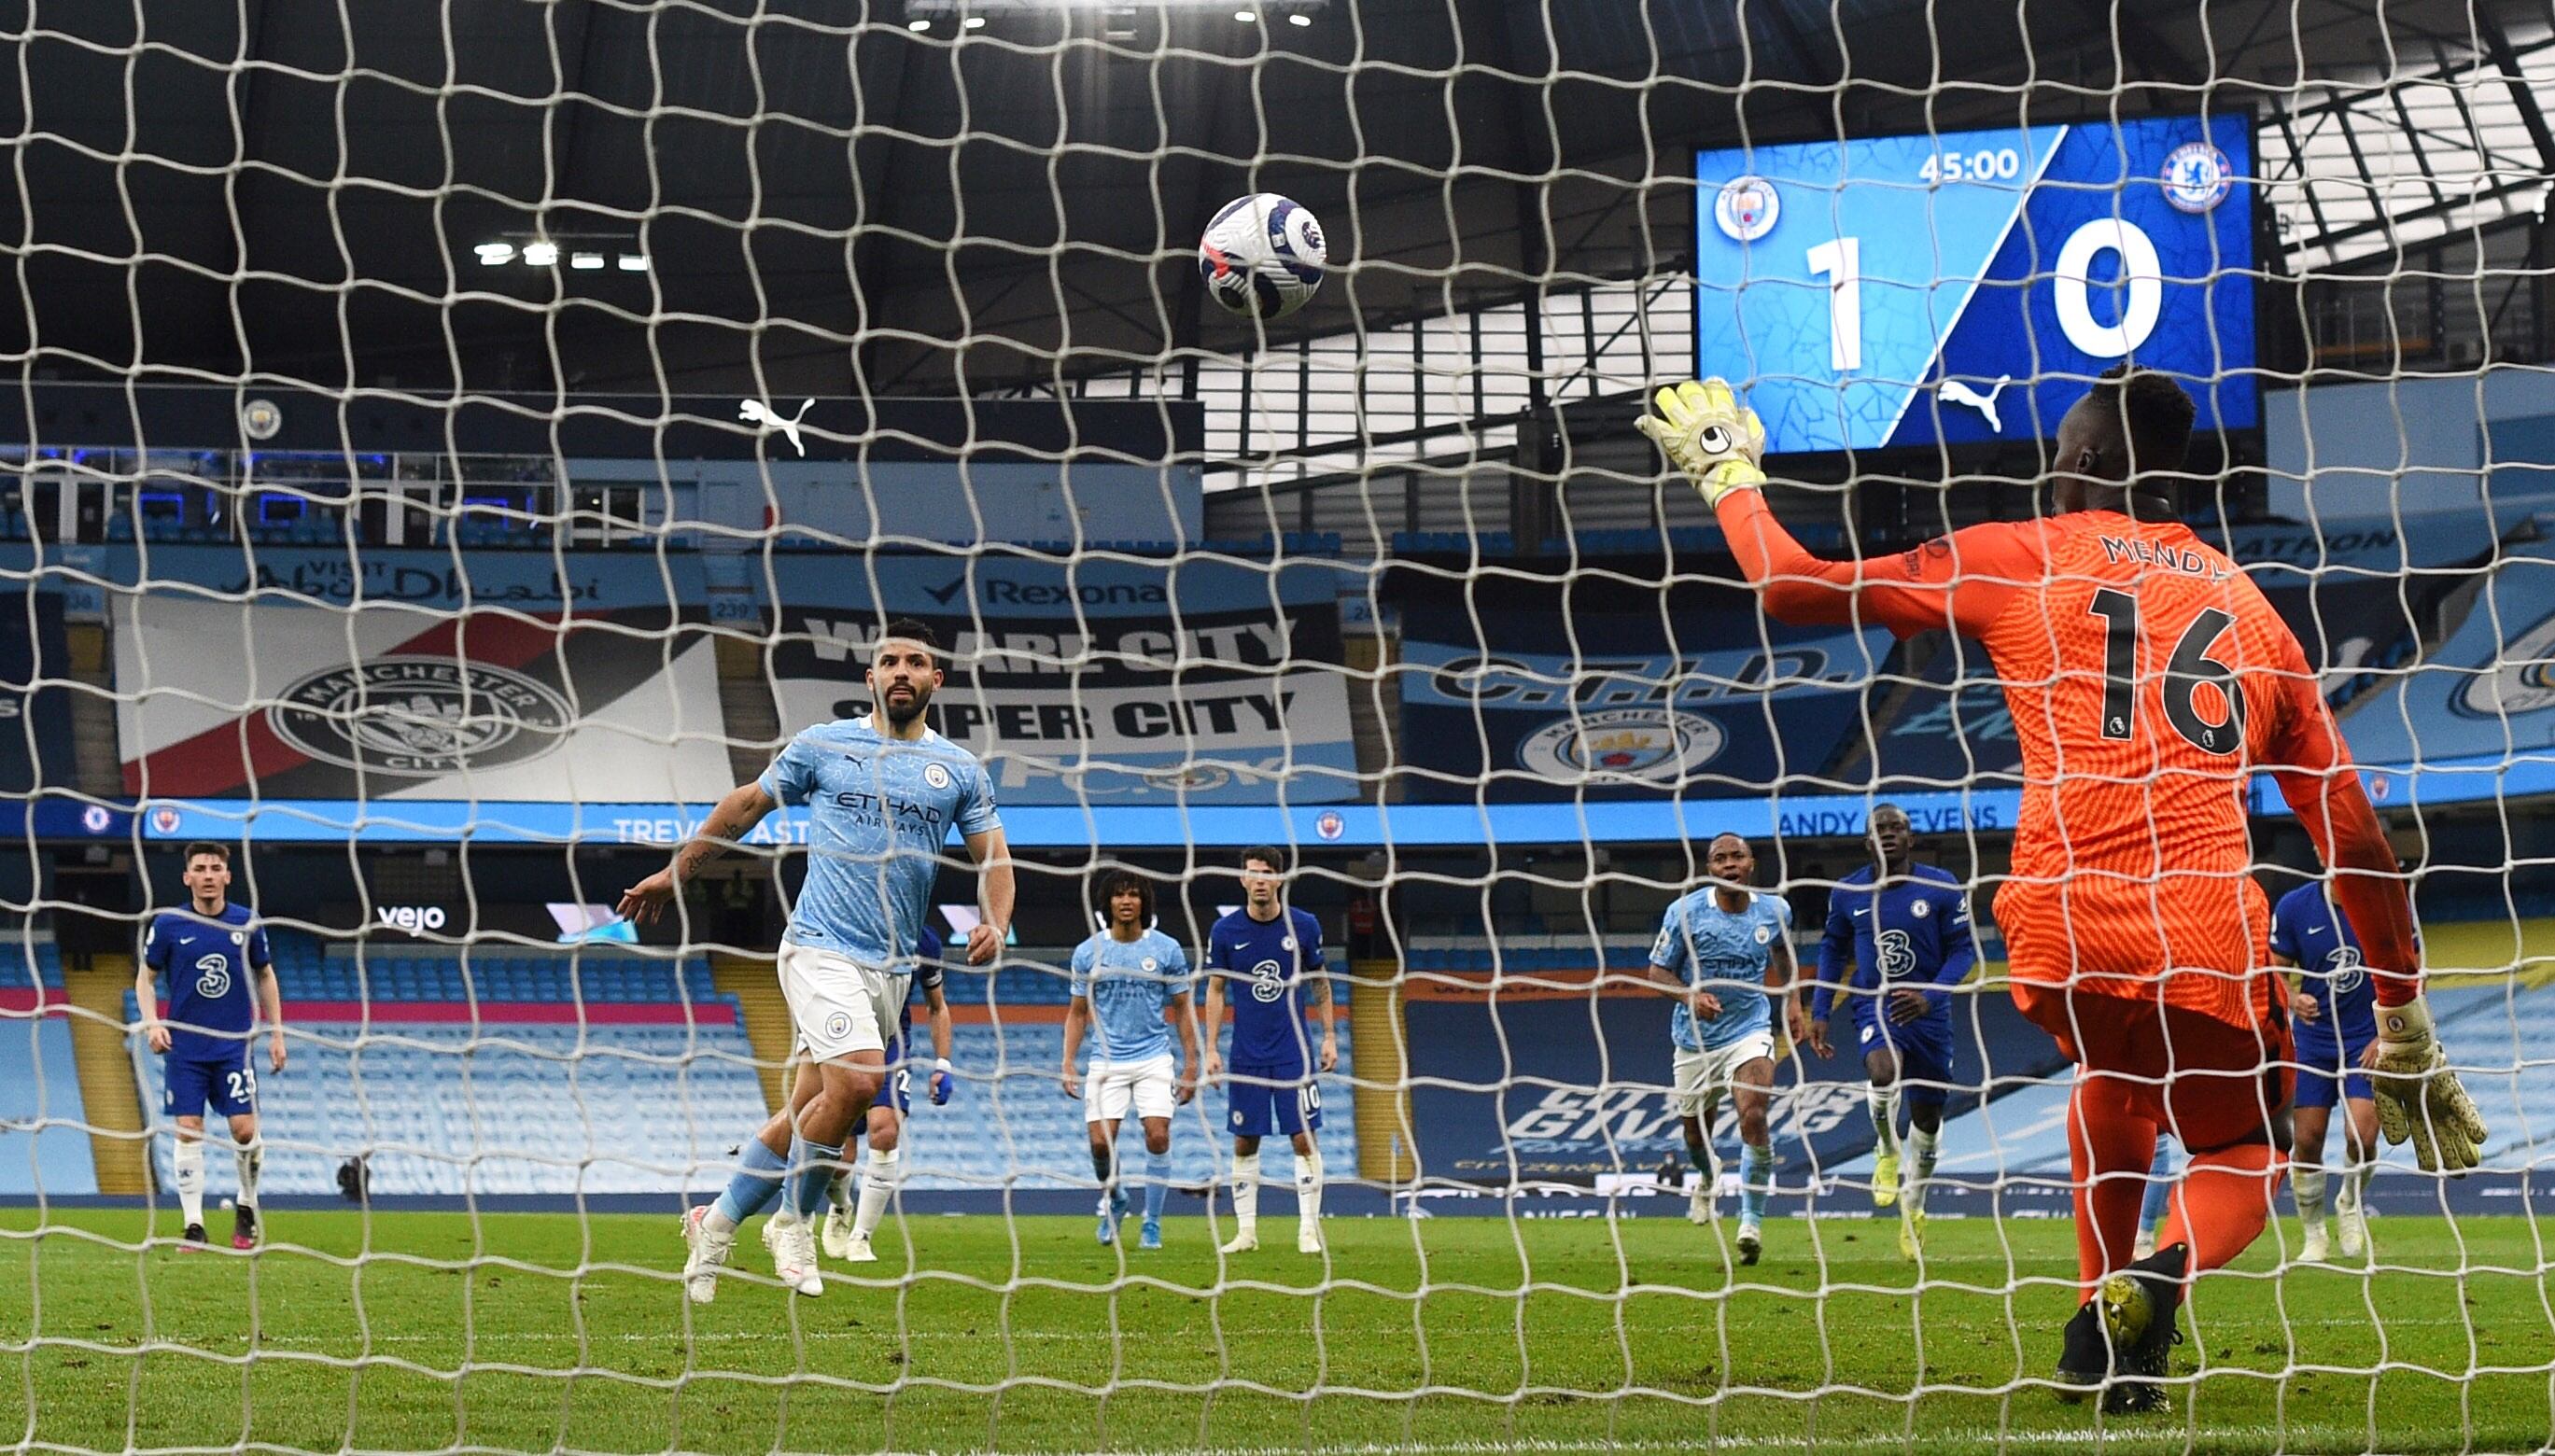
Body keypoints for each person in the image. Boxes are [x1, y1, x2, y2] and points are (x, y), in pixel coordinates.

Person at [1642, 370, 2483, 1411]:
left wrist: (1729, 470)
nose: (2047, 469)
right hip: (2205, 929)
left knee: (2113, 1080)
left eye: (2058, 453)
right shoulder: (2254, 614)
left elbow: (1791, 583)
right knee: (2236, 1148)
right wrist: (2401, 1006)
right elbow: (2351, 833)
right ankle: (2155, 1280)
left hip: (2060, 923)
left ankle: (2098, 1334)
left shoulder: (2018, 553)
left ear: (2083, 462)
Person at [621, 620, 1012, 1303]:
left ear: (934, 679)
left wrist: (997, 923)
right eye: (887, 661)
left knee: (808, 1106)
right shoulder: (824, 746)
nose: (900, 671)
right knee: (859, 1087)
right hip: (818, 947)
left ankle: (712, 1221)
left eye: (914, 662)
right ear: (870, 677)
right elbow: (746, 805)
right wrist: (674, 873)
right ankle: (793, 1223)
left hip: (889, 969)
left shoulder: (957, 769)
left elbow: (996, 858)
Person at [1806, 804, 1974, 1259]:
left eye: (1896, 827)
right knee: (1882, 1072)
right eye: (1879, 828)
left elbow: (1963, 952)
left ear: (1911, 839)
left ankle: (1914, 1208)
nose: (1888, 834)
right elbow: (1833, 949)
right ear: (1867, 842)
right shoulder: (1847, 892)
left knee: (1928, 1119)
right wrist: (1820, 1008)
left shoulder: (1940, 887)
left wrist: (1931, 997)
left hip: (1930, 1015)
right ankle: (1885, 1148)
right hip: (1874, 1003)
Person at [1645, 832, 1804, 1267]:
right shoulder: (1684, 913)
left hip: (1749, 1028)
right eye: (1720, 859)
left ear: (1751, 864)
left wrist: (1791, 999)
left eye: (1737, 856)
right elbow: (1657, 972)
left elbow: (1784, 955)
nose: (1730, 864)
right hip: (1695, 1038)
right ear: (1710, 869)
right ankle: (1707, 1173)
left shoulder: (1775, 910)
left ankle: (1750, 1222)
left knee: (1754, 1111)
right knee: (1695, 1135)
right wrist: (1689, 996)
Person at [138, 842, 284, 1251]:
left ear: (227, 876)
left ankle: (247, 1205)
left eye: (214, 867)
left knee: (244, 1130)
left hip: (234, 1047)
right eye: (199, 868)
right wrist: (152, 1024)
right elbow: (144, 978)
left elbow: (266, 975)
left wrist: (277, 1033)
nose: (207, 874)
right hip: (185, 1049)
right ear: (187, 877)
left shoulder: (247, 922)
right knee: (189, 1130)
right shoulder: (168, 924)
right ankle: (194, 1225)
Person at [1200, 845, 1338, 1255]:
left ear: (1279, 879)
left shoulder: (1305, 926)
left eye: (1267, 873)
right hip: (1247, 1054)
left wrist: (1330, 1036)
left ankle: (1309, 1231)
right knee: (1245, 1141)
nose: (1260, 880)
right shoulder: (1225, 932)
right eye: (1252, 873)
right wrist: (1210, 1047)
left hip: (1294, 1051)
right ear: (1243, 879)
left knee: (1303, 1138)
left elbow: (1321, 982)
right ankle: (1246, 1233)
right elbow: (1216, 989)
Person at [1062, 870, 1200, 1250]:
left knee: (1157, 1136)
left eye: (1134, 895)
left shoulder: (1166, 950)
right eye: (1119, 895)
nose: (1126, 901)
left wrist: (1191, 1064)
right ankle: (1117, 1198)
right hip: (1106, 1061)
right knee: (1100, 1144)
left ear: (1144, 902)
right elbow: (1076, 1013)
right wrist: (1067, 1062)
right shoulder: (1088, 952)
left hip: (1154, 1057)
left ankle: (1152, 1223)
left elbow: (1184, 1009)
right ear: (1107, 903)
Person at [820, 925, 957, 1264]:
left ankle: (861, 1237)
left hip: (893, 1043)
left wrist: (943, 1063)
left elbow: (936, 1006)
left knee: (886, 1130)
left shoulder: (924, 940)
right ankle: (840, 1206)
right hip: (847, 1040)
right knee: (839, 1158)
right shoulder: (850, 923)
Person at [2270, 879, 2384, 1263]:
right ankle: (2314, 1233)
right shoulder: (2294, 907)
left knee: (2362, 1136)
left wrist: (2387, 1035)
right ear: (2321, 852)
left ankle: (2349, 1202)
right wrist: (2291, 998)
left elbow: (2412, 973)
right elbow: (2274, 969)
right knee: (2307, 1138)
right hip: (2314, 1041)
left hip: (2366, 1039)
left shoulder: (2384, 901)